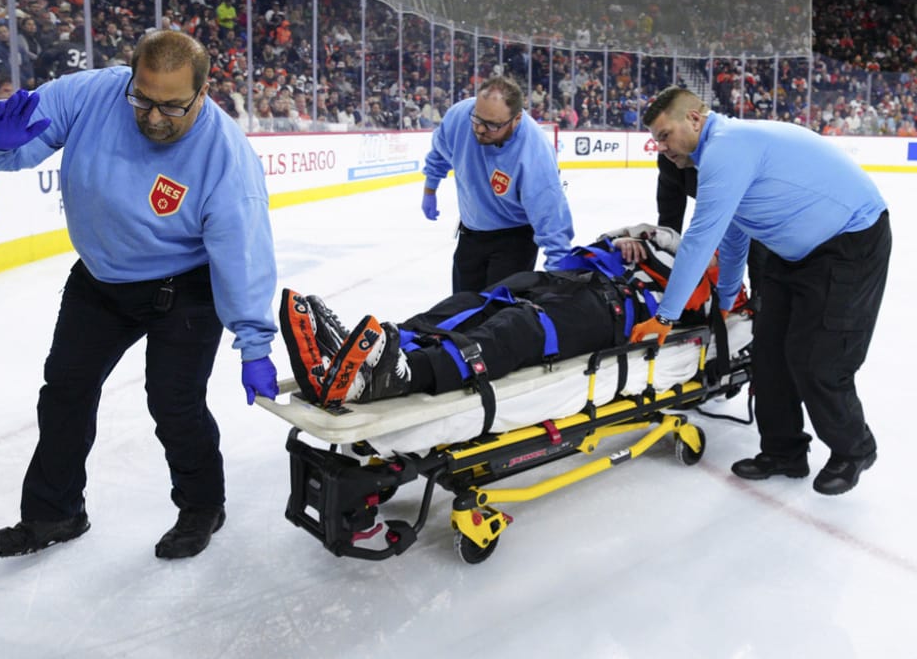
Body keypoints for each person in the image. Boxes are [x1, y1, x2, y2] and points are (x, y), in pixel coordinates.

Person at [0, 30, 279, 559]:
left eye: (172, 106)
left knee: (173, 402)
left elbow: (243, 254)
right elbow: (5, 149)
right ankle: (55, 513)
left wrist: (255, 342)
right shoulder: (91, 94)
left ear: (203, 93)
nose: (154, 117)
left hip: (185, 288)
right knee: (64, 392)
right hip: (101, 280)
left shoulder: (225, 155)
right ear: (130, 77)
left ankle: (202, 505)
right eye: (143, 99)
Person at [631, 86, 890, 496]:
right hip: (793, 252)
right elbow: (734, 236)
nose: (660, 148)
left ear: (694, 120)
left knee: (818, 359)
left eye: (665, 136)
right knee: (768, 352)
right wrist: (729, 298)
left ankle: (854, 449)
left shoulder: (725, 149)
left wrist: (666, 316)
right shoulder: (719, 155)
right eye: (656, 140)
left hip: (849, 242)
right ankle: (784, 451)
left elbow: (699, 240)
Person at [279, 223, 743, 407]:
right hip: (575, 280)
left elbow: (718, 309)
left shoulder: (723, 283)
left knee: (521, 328)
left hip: (615, 311)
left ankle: (400, 375)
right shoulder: (669, 240)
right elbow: (614, 235)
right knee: (474, 303)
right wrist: (627, 241)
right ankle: (384, 344)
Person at [420, 75, 574, 293]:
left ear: (516, 119)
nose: (481, 129)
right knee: (462, 311)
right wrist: (430, 188)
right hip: (471, 234)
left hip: (514, 240)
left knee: (499, 317)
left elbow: (551, 218)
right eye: (478, 119)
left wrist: (558, 276)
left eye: (492, 125)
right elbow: (439, 152)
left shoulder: (534, 152)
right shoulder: (459, 116)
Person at [653, 152, 768, 307]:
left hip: (757, 202)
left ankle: (763, 299)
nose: (662, 146)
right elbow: (669, 218)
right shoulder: (669, 160)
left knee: (756, 250)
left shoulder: (725, 155)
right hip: (716, 197)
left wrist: (760, 296)